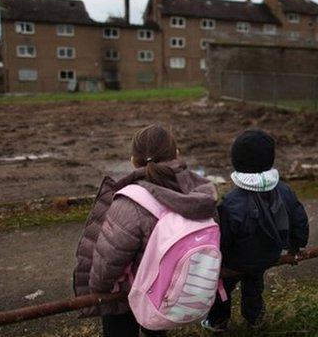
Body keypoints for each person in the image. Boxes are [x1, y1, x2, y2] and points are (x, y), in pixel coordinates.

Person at [73, 124, 218, 337]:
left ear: (133, 160)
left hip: (127, 294)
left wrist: (98, 288)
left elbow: (109, 259)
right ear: (176, 154)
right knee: (157, 329)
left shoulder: (131, 201)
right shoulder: (200, 193)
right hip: (168, 289)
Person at [202, 129, 309, 332]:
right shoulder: (284, 190)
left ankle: (218, 321)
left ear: (237, 162)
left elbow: (224, 238)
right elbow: (299, 219)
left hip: (236, 260)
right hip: (268, 254)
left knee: (223, 288)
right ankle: (255, 317)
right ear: (270, 159)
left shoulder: (231, 203)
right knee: (254, 286)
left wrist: (219, 260)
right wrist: (297, 245)